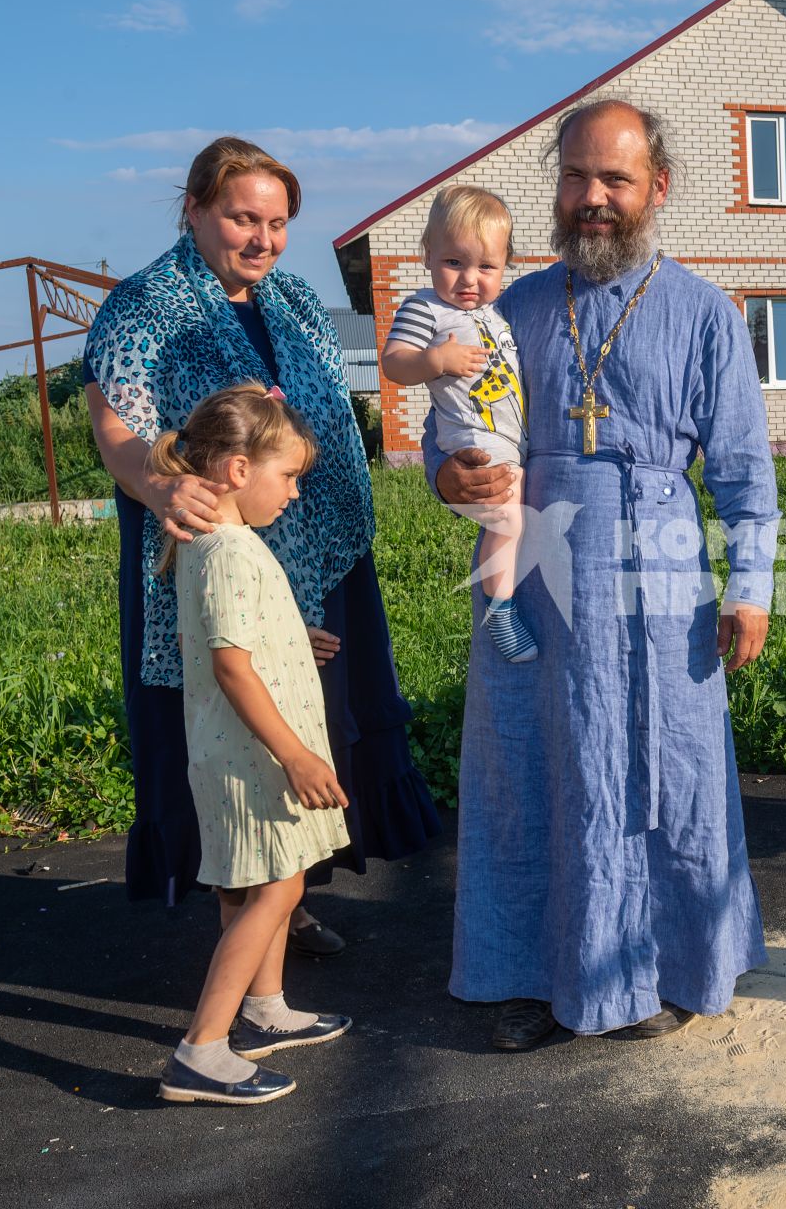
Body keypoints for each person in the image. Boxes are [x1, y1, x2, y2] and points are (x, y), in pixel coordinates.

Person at [428, 99, 780, 1048]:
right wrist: (449, 473)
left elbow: (746, 472)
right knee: (527, 770)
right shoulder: (512, 308)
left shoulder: (705, 312)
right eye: (577, 177)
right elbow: (454, 431)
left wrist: (751, 587)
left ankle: (660, 964)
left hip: (662, 576)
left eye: (614, 180)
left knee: (665, 768)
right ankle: (521, 976)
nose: (592, 198)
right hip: (536, 566)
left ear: (654, 189)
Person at [84, 137, 440, 947]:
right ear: (196, 209)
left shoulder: (299, 302)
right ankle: (247, 927)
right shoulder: (145, 307)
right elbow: (116, 429)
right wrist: (161, 482)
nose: (263, 239)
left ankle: (293, 899)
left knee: (314, 726)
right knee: (237, 735)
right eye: (244, 218)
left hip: (320, 556)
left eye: (277, 223)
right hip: (218, 559)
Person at [152, 385, 352, 1105]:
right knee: (274, 887)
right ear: (238, 471)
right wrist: (297, 755)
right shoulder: (230, 549)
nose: (294, 493)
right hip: (256, 756)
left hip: (232, 753)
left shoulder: (217, 544)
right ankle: (202, 1049)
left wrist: (294, 637)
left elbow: (232, 638)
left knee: (266, 882)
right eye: (288, 476)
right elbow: (231, 667)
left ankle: (265, 1010)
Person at [381, 185, 536, 661]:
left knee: (519, 514)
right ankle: (501, 609)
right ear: (428, 256)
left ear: (505, 265)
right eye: (454, 263)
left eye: (486, 267)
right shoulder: (423, 308)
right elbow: (393, 364)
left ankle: (505, 595)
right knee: (508, 515)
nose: (470, 279)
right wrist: (436, 359)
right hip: (469, 433)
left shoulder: (496, 315)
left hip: (509, 432)